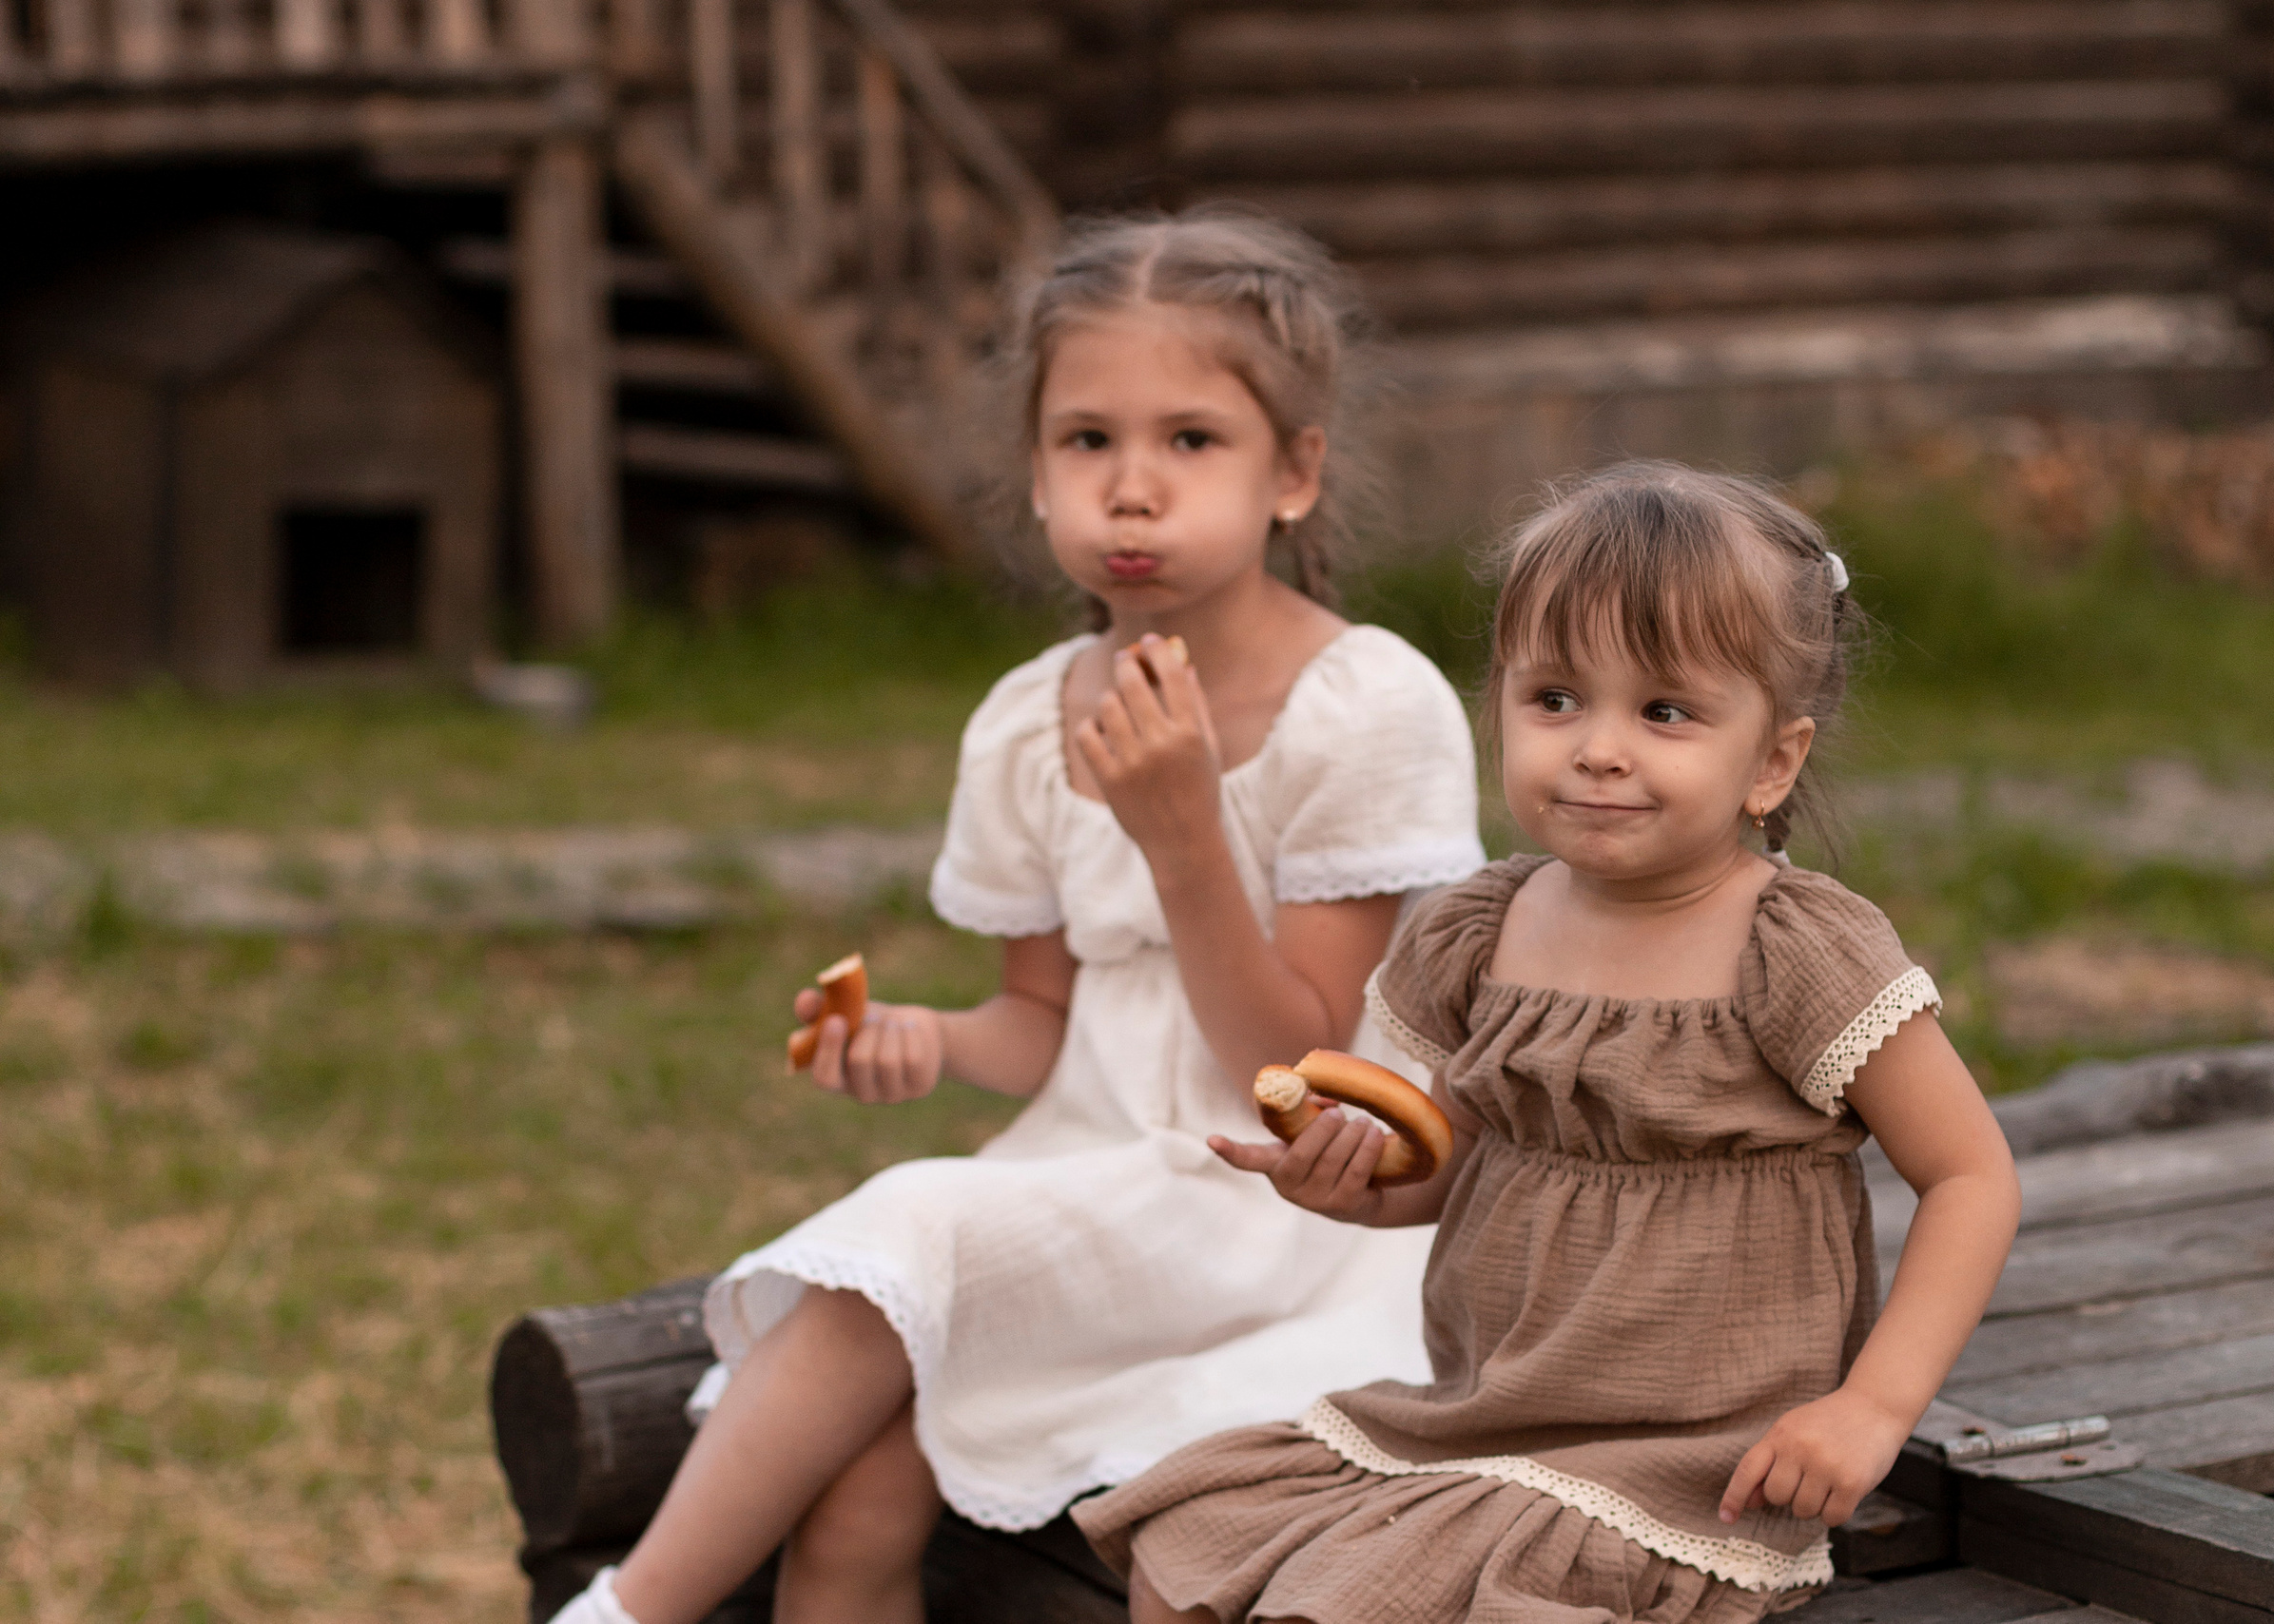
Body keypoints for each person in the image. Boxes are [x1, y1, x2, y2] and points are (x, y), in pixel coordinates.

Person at [547, 210, 1487, 1624]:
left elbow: (1292, 1079)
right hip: (1092, 1179)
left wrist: (1182, 836)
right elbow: (1044, 1028)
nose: (1131, 491)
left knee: (915, 1224)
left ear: (1295, 472)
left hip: (1277, 1209)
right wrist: (922, 1043)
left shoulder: (1366, 708)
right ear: (1035, 469)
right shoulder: (1022, 724)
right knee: (860, 1494)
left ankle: (627, 1615)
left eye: (1191, 440)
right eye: (1086, 440)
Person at [1075, 462, 2023, 1624]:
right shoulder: (1487, 928)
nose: (1599, 748)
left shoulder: (1792, 948)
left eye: (1664, 711)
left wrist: (1872, 1408)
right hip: (1483, 1411)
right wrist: (1357, 1185)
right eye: (1556, 699)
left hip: (1691, 1456)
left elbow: (1970, 1175)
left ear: (1772, 760)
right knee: (1187, 1543)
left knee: (1343, 1603)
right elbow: (1456, 1158)